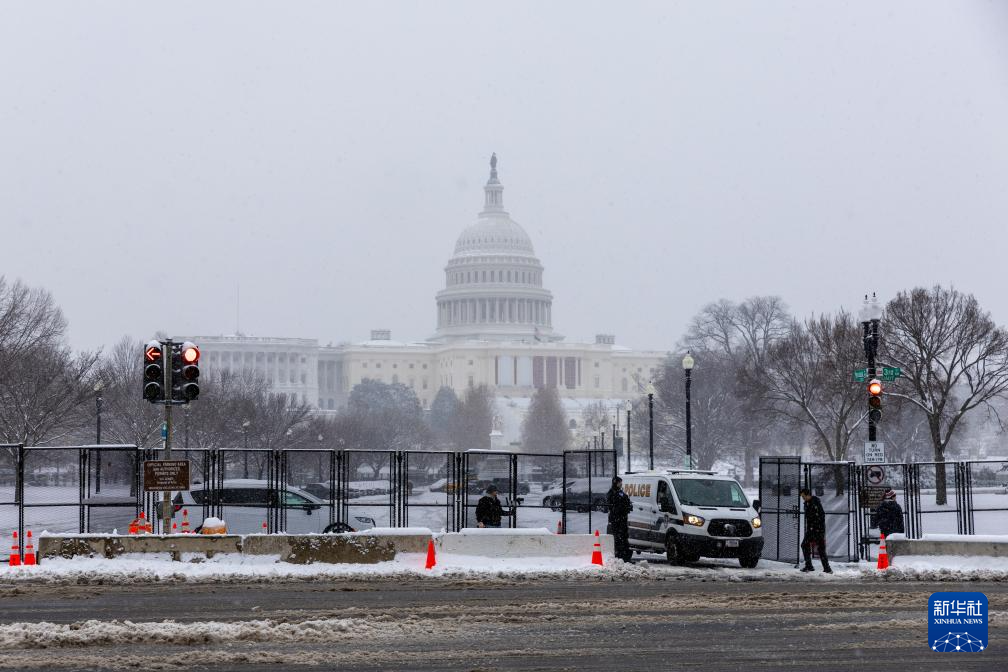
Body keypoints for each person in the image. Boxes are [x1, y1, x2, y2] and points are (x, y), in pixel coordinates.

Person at [800, 488, 831, 573]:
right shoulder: (807, 503)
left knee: (820, 548)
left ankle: (827, 568)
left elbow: (821, 516)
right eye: (802, 496)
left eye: (803, 496)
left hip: (818, 529)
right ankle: (809, 565)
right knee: (805, 545)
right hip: (811, 529)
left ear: (808, 495)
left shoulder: (815, 503)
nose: (803, 498)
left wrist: (816, 527)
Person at [606, 476, 633, 562]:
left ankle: (626, 557)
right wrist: (622, 507)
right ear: (615, 483)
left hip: (623, 519)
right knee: (618, 538)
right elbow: (614, 505)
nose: (621, 484)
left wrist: (628, 506)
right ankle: (619, 556)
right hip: (617, 519)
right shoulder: (612, 493)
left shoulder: (620, 492)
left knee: (624, 537)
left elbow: (625, 500)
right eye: (619, 482)